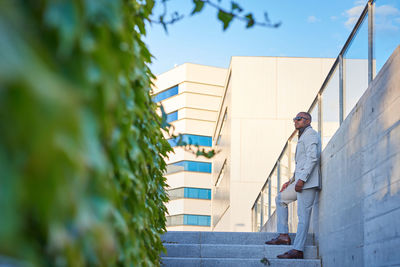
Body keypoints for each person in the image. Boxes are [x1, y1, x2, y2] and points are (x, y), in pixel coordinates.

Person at [265, 112, 321, 259]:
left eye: (299, 119)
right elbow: (301, 163)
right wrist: (290, 181)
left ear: (308, 121)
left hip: (308, 184)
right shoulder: (303, 136)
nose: (295, 121)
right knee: (280, 199)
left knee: (303, 217)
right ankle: (283, 235)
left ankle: (298, 250)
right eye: (294, 119)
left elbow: (312, 158)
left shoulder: (311, 135)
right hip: (299, 182)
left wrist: (302, 179)